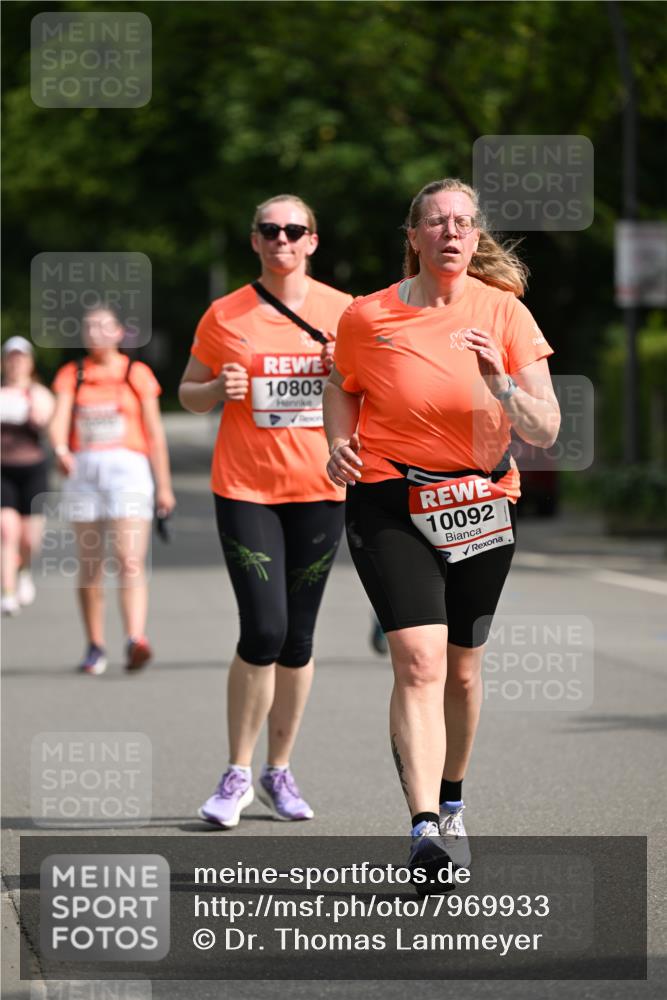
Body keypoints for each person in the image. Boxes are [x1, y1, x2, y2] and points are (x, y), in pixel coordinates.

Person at [324, 178, 560, 877]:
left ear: (475, 235)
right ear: (414, 236)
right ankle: (423, 827)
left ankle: (452, 799)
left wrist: (503, 385)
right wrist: (338, 440)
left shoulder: (506, 314)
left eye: (463, 221)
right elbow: (340, 383)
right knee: (419, 663)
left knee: (461, 672)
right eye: (437, 221)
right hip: (390, 498)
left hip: (481, 503)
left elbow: (545, 426)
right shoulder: (367, 317)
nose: (451, 232)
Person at [179, 194, 352, 828]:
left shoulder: (344, 312)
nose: (282, 239)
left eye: (294, 230)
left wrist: (348, 378)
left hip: (321, 489)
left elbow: (373, 392)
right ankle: (235, 773)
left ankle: (279, 770)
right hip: (247, 488)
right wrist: (213, 390)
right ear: (255, 241)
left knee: (299, 637)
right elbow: (188, 393)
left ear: (312, 240)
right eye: (269, 230)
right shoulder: (226, 313)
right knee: (264, 629)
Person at [49, 304, 176, 675]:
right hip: (85, 470)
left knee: (129, 559)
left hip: (128, 471)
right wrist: (59, 449)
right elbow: (59, 421)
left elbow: (155, 434)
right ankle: (95, 645)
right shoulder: (72, 374)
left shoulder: (136, 374)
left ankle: (135, 638)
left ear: (120, 333)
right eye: (89, 327)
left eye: (104, 326)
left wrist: (164, 487)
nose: (96, 333)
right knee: (90, 565)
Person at [1, 336, 54, 616]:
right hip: (3, 472)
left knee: (29, 539)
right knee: (6, 529)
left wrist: (35, 410)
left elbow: (47, 421)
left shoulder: (38, 392)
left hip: (32, 470)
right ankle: (7, 592)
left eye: (20, 358)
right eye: (11, 358)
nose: (15, 363)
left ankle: (23, 571)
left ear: (30, 363)